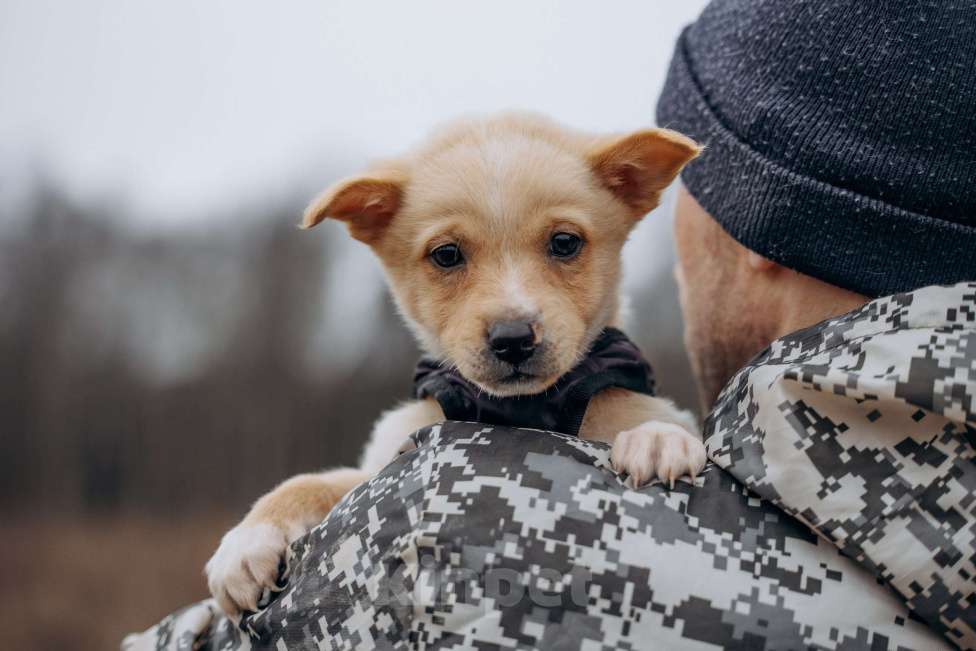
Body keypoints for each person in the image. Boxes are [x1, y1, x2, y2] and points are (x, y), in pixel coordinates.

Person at [124, 1, 975, 649]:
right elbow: (359, 483)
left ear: (640, 189)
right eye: (448, 256)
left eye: (562, 245)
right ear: (371, 224)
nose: (512, 313)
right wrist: (279, 510)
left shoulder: (437, 530)